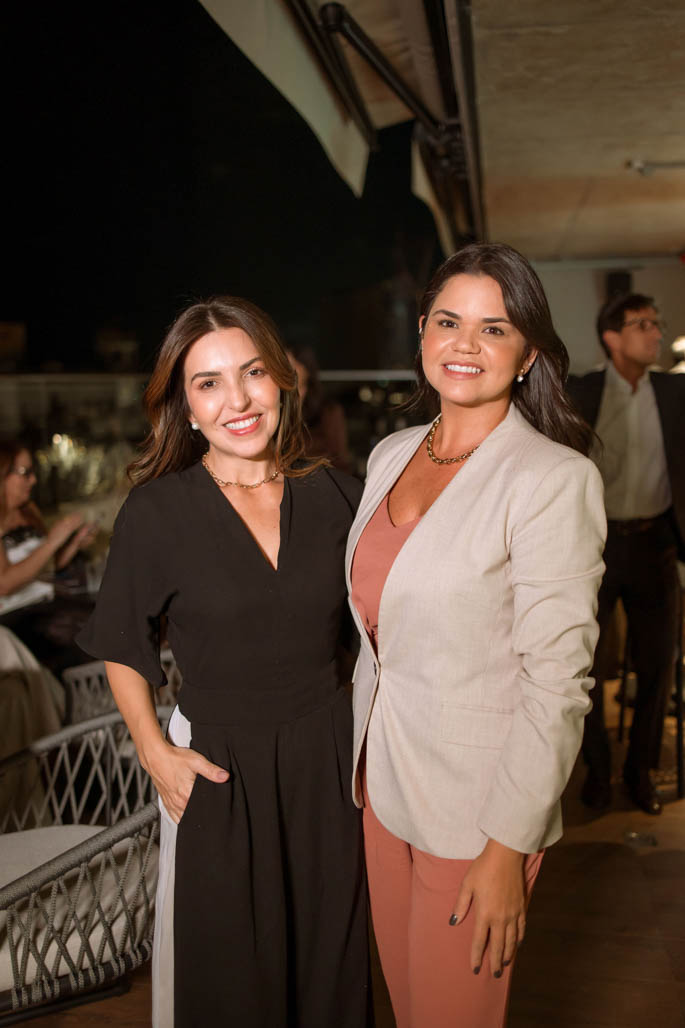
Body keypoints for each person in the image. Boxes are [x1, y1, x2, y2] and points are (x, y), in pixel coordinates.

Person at [77, 297, 371, 1028]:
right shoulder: (157, 512)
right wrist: (154, 752)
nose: (237, 399)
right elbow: (122, 643)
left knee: (330, 969)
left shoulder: (339, 495)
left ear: (283, 380)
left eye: (252, 373)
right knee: (232, 981)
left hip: (327, 763)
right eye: (208, 383)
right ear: (185, 406)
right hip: (216, 768)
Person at [346, 243, 606, 1028]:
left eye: (494, 329)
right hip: (381, 786)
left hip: (476, 811)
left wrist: (506, 848)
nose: (465, 344)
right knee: (408, 1007)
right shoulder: (390, 455)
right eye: (448, 321)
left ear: (526, 355)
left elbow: (557, 683)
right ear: (422, 331)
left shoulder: (550, 479)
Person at [567, 293, 685, 815]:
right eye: (643, 325)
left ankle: (640, 772)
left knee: (658, 664)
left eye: (657, 324)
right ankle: (597, 769)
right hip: (596, 543)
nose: (656, 333)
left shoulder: (674, 391)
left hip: (657, 540)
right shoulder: (582, 391)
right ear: (611, 337)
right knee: (586, 664)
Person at [0, 440, 97, 672]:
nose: (33, 480)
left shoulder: (28, 511)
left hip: (48, 603)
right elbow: (4, 584)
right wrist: (53, 540)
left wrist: (71, 545)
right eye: (25, 473)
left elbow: (44, 567)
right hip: (18, 615)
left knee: (115, 609)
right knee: (89, 625)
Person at [287, 346, 353, 472]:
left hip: (323, 476)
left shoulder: (328, 410)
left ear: (306, 368)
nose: (285, 371)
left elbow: (340, 457)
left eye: (291, 365)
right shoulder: (278, 407)